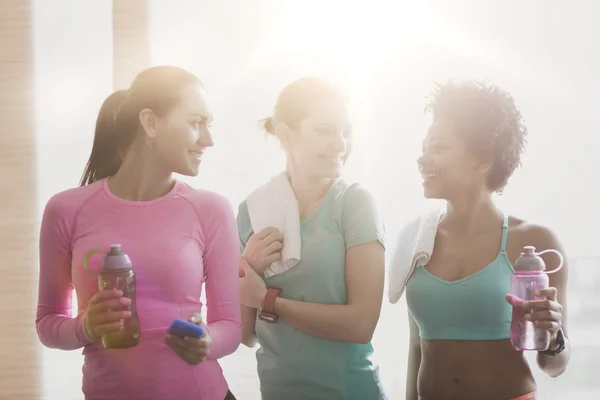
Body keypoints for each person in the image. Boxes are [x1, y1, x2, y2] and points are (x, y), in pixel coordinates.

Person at [36, 66, 241, 400]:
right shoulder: (66, 210)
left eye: (209, 124)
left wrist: (206, 342)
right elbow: (48, 323)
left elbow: (230, 327)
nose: (209, 139)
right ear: (150, 122)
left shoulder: (211, 209)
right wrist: (84, 326)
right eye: (195, 122)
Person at [400, 81, 570, 400]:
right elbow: (415, 346)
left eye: (437, 147)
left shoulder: (533, 240)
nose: (422, 159)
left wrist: (554, 338)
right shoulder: (418, 239)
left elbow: (554, 365)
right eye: (424, 148)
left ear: (482, 158)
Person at [236, 77, 387, 400]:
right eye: (325, 130)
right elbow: (245, 334)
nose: (341, 144)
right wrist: (247, 266)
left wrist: (269, 300)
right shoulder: (252, 211)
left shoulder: (354, 204)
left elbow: (360, 325)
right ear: (286, 134)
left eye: (346, 132)